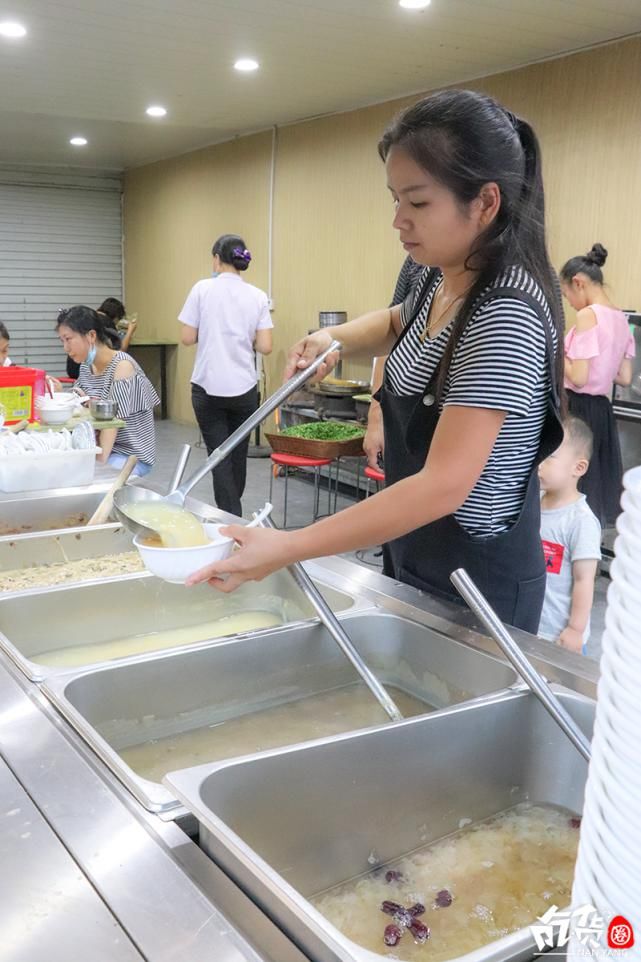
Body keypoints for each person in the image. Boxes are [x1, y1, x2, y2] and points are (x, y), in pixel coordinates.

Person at [188, 89, 564, 634]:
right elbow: (395, 322)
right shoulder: (442, 270)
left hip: (478, 583)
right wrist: (331, 338)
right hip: (416, 548)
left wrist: (290, 546)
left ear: (485, 202)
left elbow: (443, 485)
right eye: (395, 199)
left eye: (417, 202)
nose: (398, 221)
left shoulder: (505, 312)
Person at [178, 233, 273, 516]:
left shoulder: (202, 289)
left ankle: (231, 517)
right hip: (244, 388)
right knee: (237, 455)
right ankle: (233, 513)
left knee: (218, 456)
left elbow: (186, 337)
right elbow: (266, 346)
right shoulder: (257, 296)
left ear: (217, 259)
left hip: (207, 387)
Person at [560, 244, 635, 526]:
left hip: (578, 408)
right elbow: (624, 377)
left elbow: (578, 377)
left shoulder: (588, 315)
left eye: (568, 294)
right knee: (593, 487)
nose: (570, 302)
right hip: (602, 410)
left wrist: (556, 355)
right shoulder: (620, 318)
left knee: (571, 484)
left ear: (578, 283)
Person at [56, 305, 159, 476]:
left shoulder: (122, 367)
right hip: (99, 448)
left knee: (91, 478)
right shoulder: (86, 366)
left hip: (128, 454)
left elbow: (112, 425)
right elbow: (78, 401)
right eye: (62, 341)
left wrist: (98, 467)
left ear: (91, 335)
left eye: (68, 339)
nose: (65, 348)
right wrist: (60, 394)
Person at [538, 417, 601, 655]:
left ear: (578, 468)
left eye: (549, 457)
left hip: (560, 636)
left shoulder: (580, 521)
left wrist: (575, 629)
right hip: (532, 626)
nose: (539, 464)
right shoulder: (533, 504)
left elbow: (585, 579)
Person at [364, 255, 424, 470]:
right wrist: (376, 417)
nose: (400, 223)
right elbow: (392, 333)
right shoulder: (418, 264)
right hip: (403, 423)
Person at [66, 297, 136, 380]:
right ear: (116, 316)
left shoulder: (87, 319)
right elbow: (120, 351)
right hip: (87, 371)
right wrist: (130, 331)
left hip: (72, 368)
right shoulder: (107, 323)